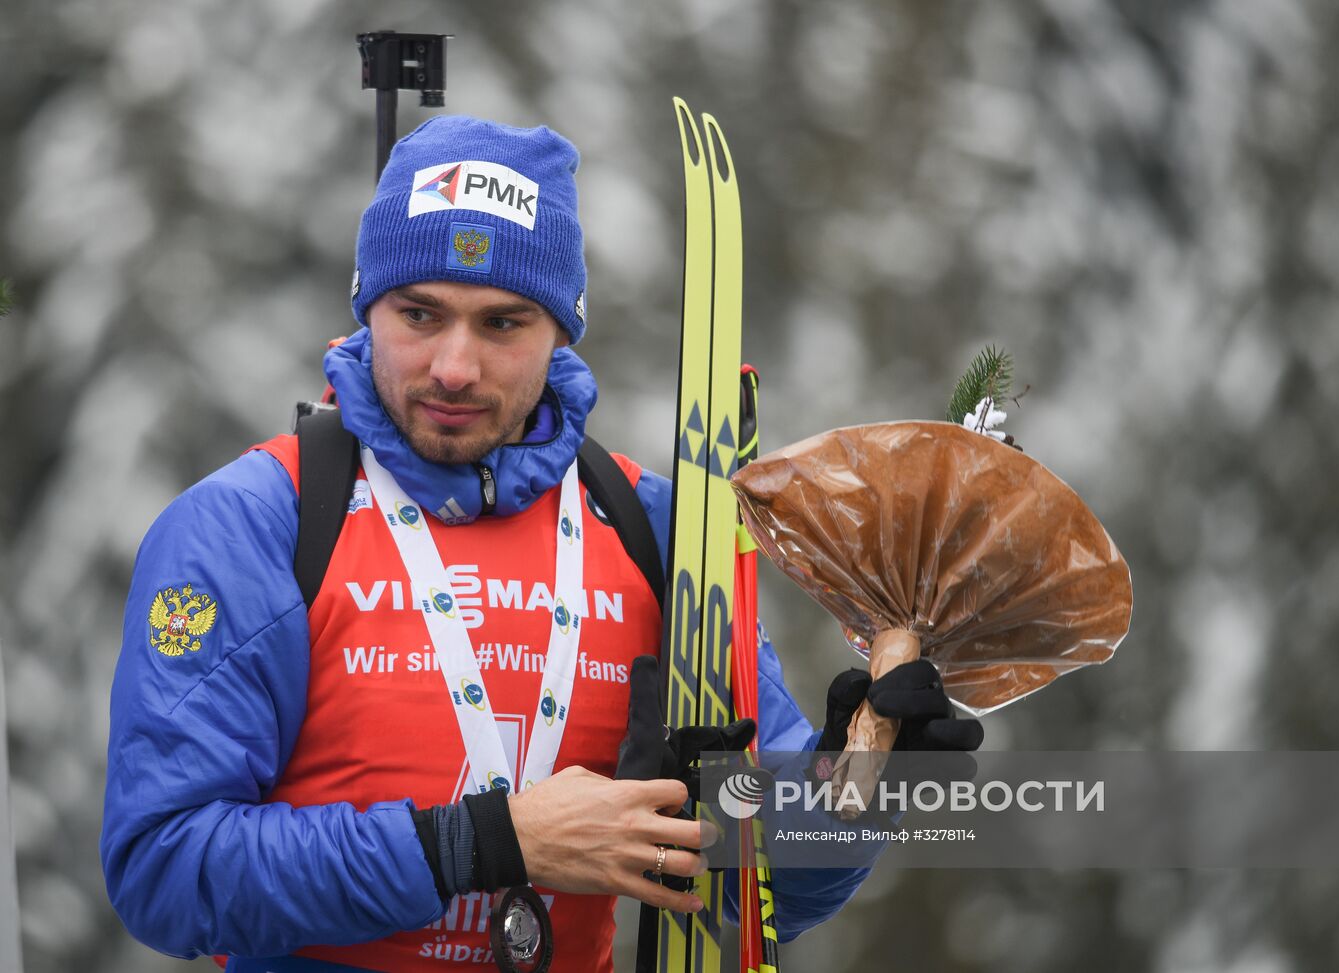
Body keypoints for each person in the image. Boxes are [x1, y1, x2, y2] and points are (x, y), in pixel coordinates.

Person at [101, 115, 982, 972]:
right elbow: (164, 867)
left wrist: (848, 792)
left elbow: (762, 893)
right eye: (419, 313)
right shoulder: (261, 522)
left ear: (562, 329)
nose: (453, 365)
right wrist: (484, 842)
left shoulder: (654, 529)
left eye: (501, 323)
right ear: (367, 308)